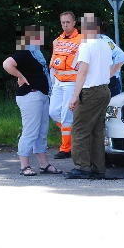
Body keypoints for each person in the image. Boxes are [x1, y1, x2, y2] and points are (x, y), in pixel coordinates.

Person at [2, 25, 62, 176]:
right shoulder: (24, 52)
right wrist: (20, 77)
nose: (40, 37)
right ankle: (24, 166)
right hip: (30, 96)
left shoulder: (37, 53)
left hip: (41, 95)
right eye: (37, 35)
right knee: (30, 131)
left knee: (42, 132)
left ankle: (44, 164)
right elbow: (7, 64)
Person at [66, 14, 114, 179]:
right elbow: (110, 67)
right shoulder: (105, 44)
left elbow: (82, 71)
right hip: (104, 90)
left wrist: (74, 96)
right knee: (96, 130)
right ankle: (98, 167)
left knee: (80, 129)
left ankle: (82, 167)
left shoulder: (86, 46)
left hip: (89, 91)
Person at [48, 11, 82, 159]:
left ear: (74, 23)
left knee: (66, 115)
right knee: (53, 112)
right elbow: (53, 63)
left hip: (72, 83)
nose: (65, 25)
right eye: (63, 22)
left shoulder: (82, 39)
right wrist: (52, 82)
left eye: (68, 22)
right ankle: (74, 137)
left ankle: (66, 148)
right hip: (58, 82)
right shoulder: (57, 41)